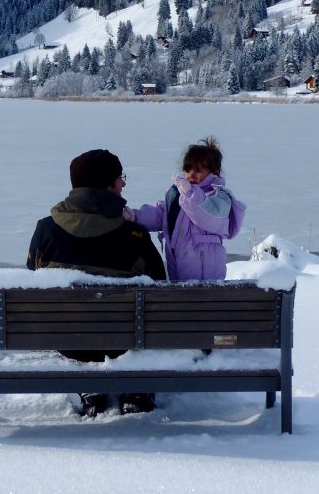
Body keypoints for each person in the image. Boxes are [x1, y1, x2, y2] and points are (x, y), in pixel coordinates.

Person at [27, 148, 165, 417]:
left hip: (69, 340)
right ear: (107, 185)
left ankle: (90, 383)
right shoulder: (134, 235)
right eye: (119, 178)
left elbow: (32, 281)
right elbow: (160, 288)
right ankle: (136, 388)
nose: (123, 183)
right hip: (126, 340)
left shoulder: (46, 230)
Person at [132, 137, 246, 281]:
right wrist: (134, 216)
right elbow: (161, 215)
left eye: (198, 170)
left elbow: (207, 216)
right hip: (179, 264)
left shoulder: (219, 197)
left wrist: (190, 194)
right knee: (182, 296)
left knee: (198, 299)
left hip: (205, 274)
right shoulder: (180, 194)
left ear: (215, 173)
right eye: (187, 170)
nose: (191, 175)